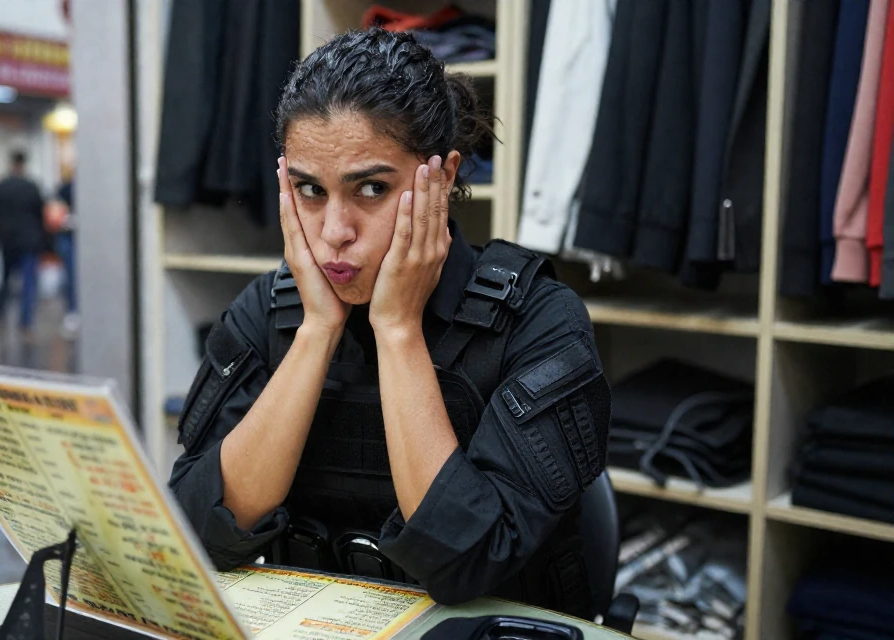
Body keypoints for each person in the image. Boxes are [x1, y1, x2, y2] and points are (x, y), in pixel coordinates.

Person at [169, 28, 611, 617]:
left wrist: (398, 329)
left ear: (444, 177)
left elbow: (464, 559)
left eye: (371, 189)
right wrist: (316, 333)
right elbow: (199, 533)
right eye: (309, 190)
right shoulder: (267, 310)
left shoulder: (540, 320)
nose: (334, 231)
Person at [0, 150, 45, 334]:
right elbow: (40, 215)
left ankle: (0, 315)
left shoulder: (0, 187)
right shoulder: (32, 187)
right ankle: (25, 321)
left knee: (4, 280)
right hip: (28, 241)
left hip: (7, 241)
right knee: (27, 283)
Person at [54, 172, 79, 338]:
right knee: (70, 277)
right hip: (70, 238)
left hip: (73, 239)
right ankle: (72, 311)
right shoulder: (66, 189)